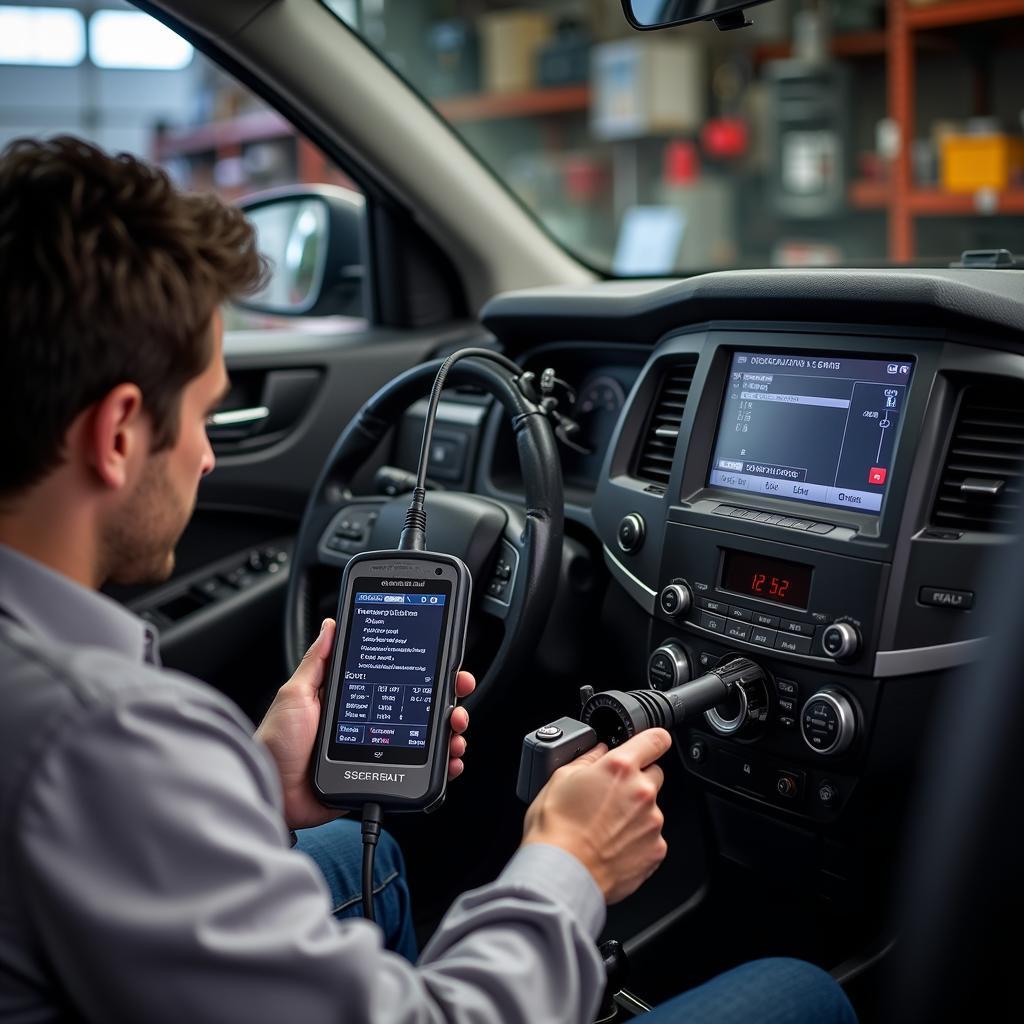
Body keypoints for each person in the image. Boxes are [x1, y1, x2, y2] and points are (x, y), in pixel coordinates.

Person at [0, 136, 855, 1024]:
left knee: (357, 855)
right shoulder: (99, 742)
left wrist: (254, 785)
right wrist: (570, 861)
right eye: (208, 413)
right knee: (805, 992)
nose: (211, 456)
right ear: (117, 434)